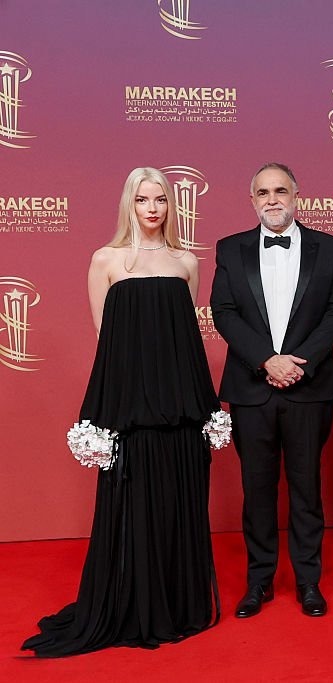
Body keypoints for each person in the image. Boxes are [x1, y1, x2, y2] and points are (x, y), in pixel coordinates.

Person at [23, 167, 221, 656]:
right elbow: (104, 340)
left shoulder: (186, 262)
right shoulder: (105, 260)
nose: (152, 208)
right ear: (128, 205)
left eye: (161, 199)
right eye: (142, 199)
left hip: (180, 411)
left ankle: (177, 605)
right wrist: (112, 416)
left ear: (171, 205)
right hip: (131, 412)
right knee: (132, 511)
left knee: (177, 509)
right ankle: (128, 606)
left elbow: (181, 341)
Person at [211, 162, 333, 618]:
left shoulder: (330, 248)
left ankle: (309, 582)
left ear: (297, 196)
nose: (272, 200)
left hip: (308, 388)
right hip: (251, 389)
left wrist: (297, 364)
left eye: (281, 191)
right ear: (252, 200)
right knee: (257, 490)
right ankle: (259, 582)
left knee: (307, 489)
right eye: (263, 192)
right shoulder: (229, 248)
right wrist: (266, 360)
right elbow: (223, 311)